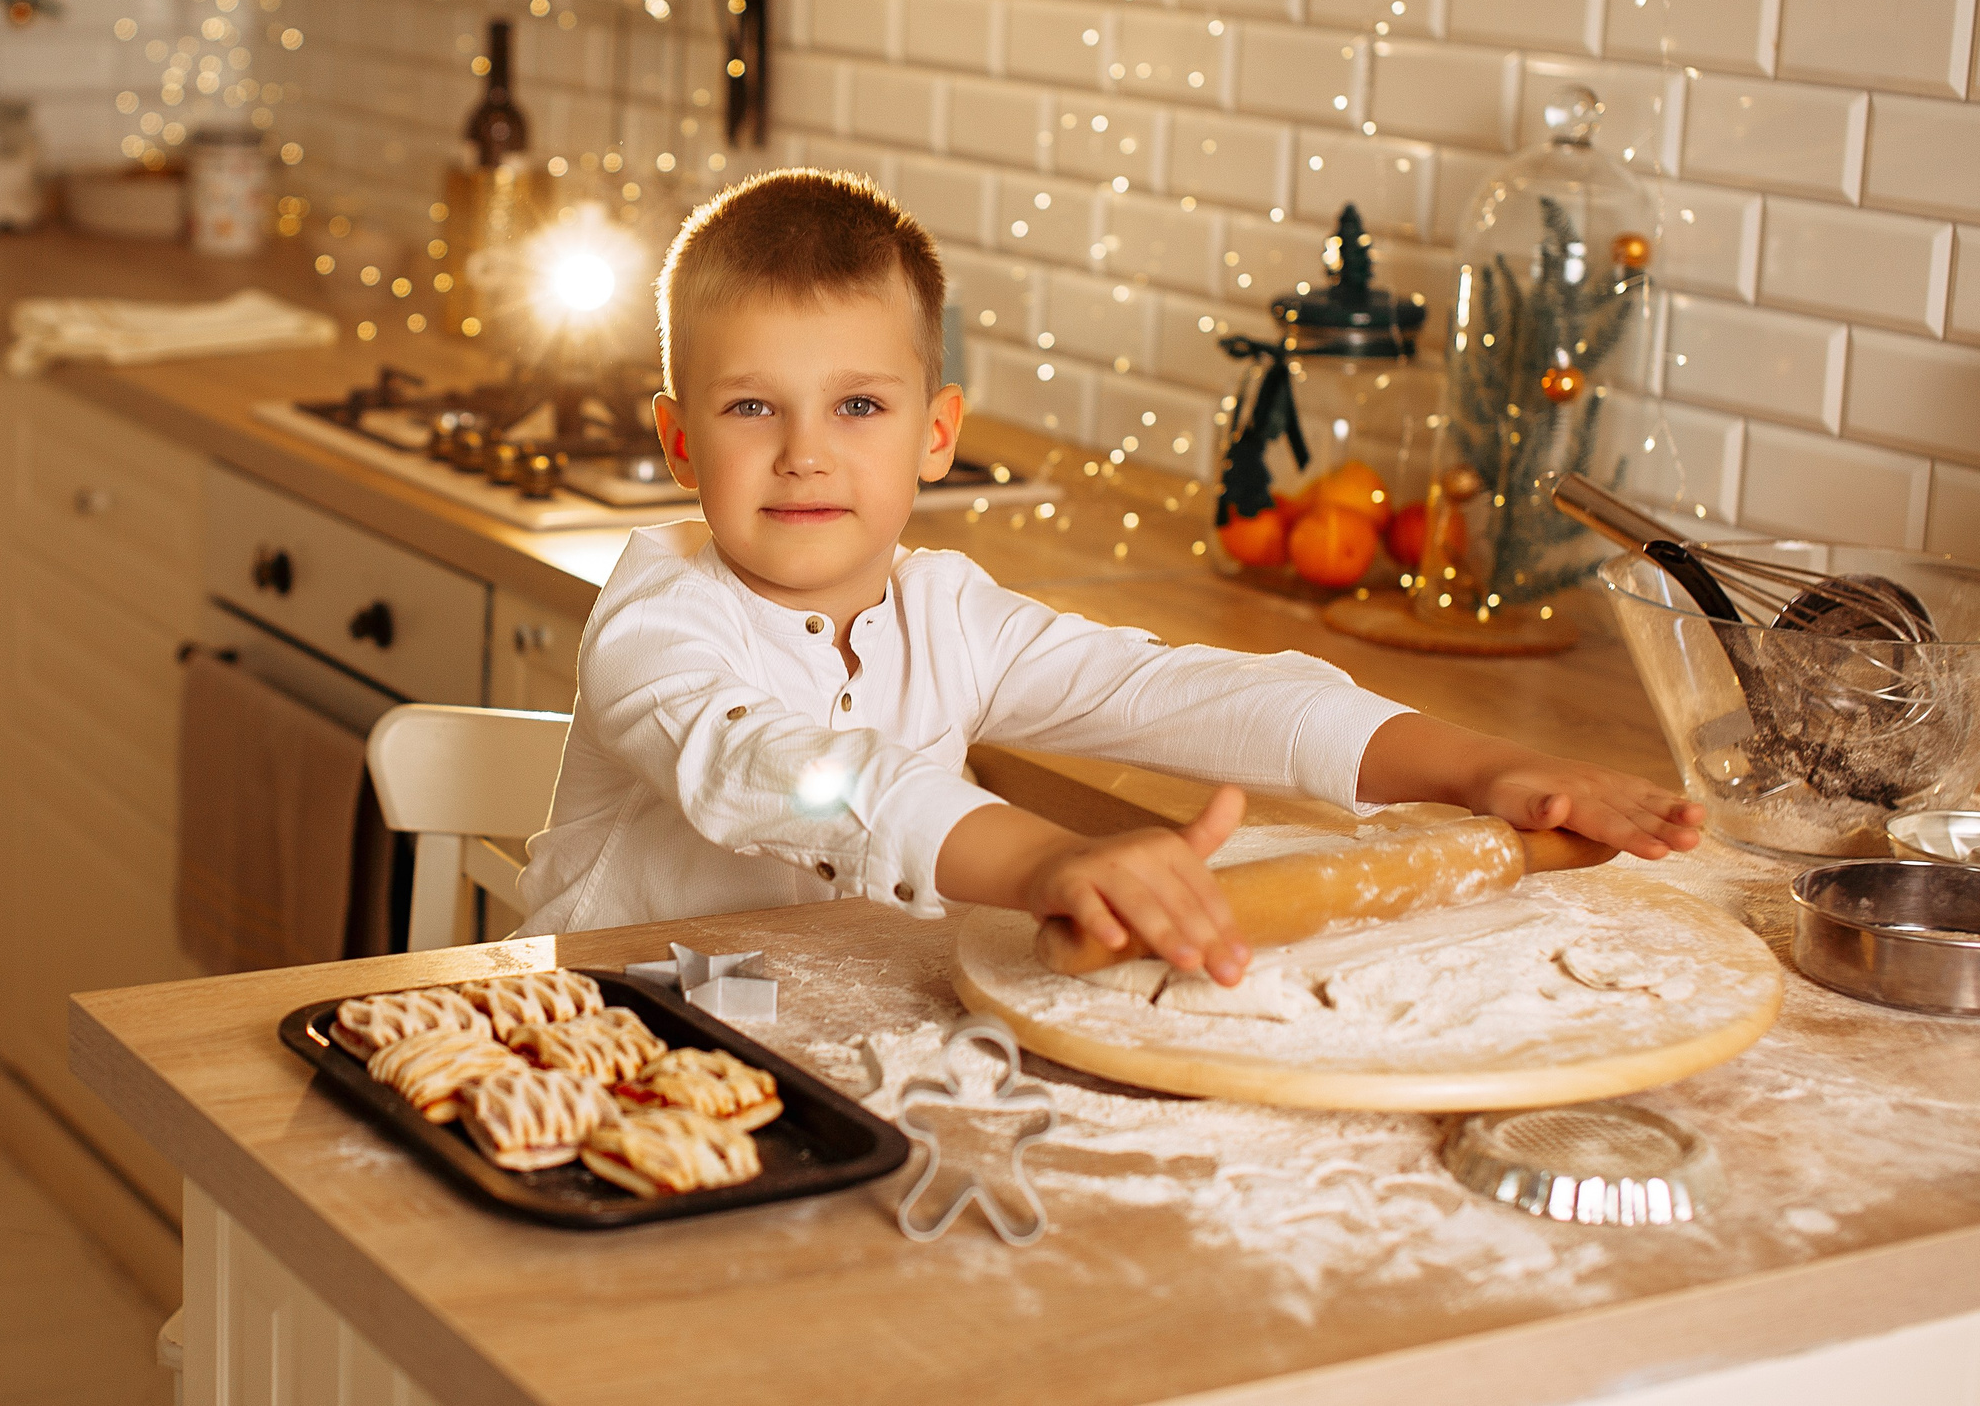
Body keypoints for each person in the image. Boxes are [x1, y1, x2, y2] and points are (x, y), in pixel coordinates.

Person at [513, 169, 1703, 982]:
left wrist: (1484, 767)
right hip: (610, 1037)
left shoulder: (947, 614)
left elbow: (1181, 692)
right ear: (679, 441)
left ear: (937, 434)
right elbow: (789, 773)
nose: (805, 453)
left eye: (858, 406)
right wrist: (1041, 858)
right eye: (751, 408)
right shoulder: (656, 626)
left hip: (837, 1031)